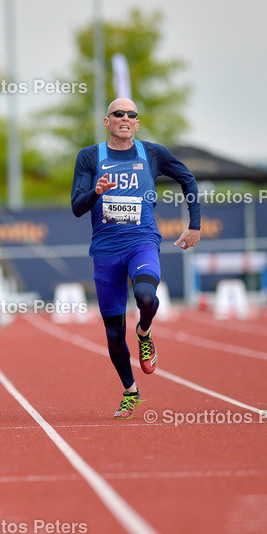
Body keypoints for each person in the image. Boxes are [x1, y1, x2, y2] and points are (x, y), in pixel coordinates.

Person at [72, 98, 201, 419]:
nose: (125, 118)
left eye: (131, 115)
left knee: (145, 295)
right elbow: (76, 207)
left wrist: (194, 225)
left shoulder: (152, 153)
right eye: (118, 114)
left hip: (142, 242)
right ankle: (130, 391)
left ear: (137, 123)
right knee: (114, 332)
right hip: (105, 251)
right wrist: (96, 192)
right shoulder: (90, 156)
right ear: (107, 121)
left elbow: (187, 179)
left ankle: (144, 330)